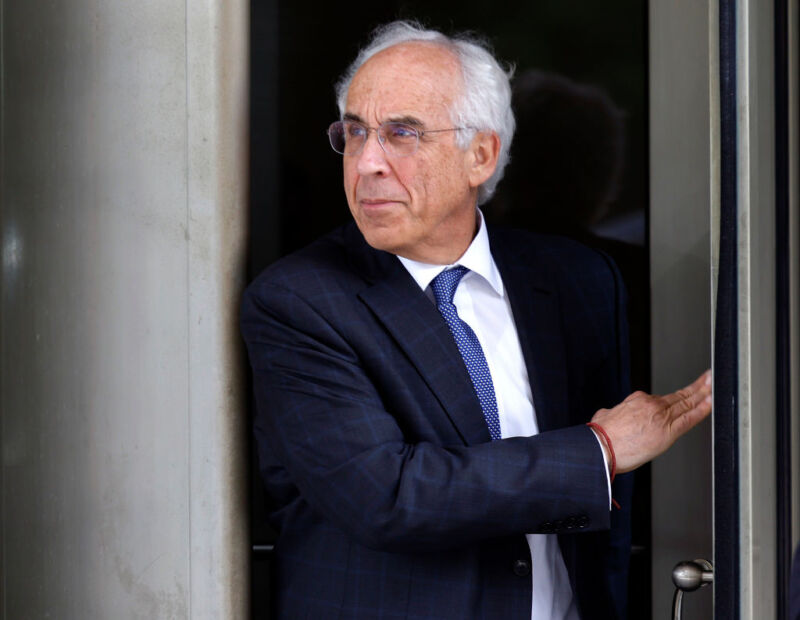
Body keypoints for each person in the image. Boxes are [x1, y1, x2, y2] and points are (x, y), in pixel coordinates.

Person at [240, 21, 712, 620]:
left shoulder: (578, 280)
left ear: (480, 156)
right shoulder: (298, 301)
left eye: (402, 134)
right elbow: (389, 497)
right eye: (355, 133)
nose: (367, 164)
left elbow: (604, 530)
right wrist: (600, 451)